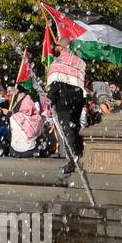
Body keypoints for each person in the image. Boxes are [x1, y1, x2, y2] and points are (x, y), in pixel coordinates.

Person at [46, 42, 87, 182]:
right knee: (75, 127)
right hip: (77, 99)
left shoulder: (57, 62)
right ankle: (80, 154)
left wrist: (51, 99)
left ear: (62, 47)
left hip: (63, 101)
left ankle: (72, 160)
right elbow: (81, 82)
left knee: (66, 130)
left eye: (57, 45)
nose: (55, 47)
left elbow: (54, 84)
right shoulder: (79, 61)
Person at [9, 93, 44, 158]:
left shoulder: (13, 117)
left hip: (14, 151)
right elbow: (41, 135)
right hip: (31, 151)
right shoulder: (38, 119)